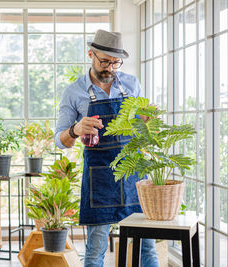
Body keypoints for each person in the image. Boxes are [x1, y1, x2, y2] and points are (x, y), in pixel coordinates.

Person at [55, 29, 159, 267]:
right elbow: (59, 140)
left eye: (115, 63)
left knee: (148, 249)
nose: (110, 68)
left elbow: (142, 131)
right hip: (99, 178)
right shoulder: (74, 92)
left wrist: (146, 122)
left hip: (134, 175)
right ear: (90, 54)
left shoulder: (131, 84)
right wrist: (76, 129)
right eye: (104, 61)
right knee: (95, 252)